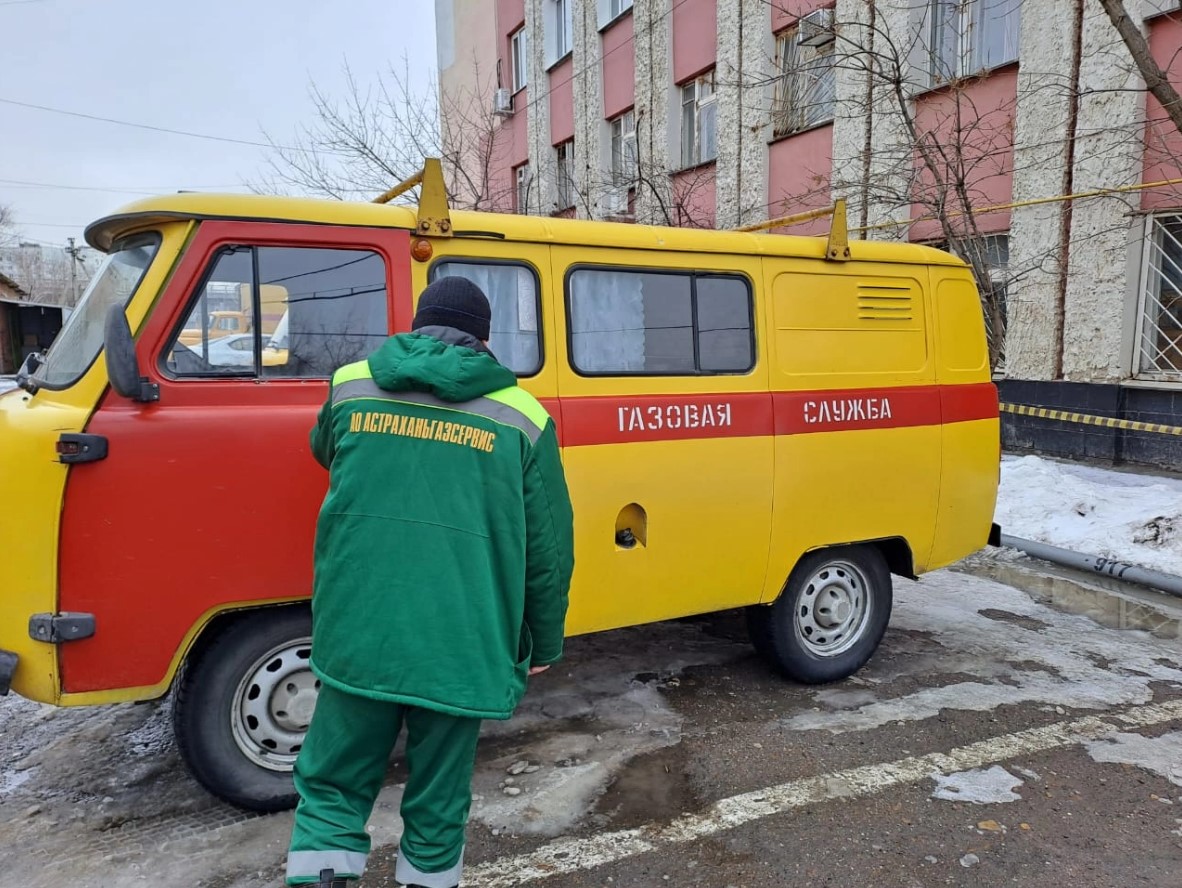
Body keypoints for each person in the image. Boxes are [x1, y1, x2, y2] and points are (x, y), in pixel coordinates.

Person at [285, 276, 575, 888]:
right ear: (484, 340)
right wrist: (543, 642)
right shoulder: (522, 417)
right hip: (460, 640)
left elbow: (324, 451)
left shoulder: (350, 386)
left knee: (333, 786)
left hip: (359, 625)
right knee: (438, 799)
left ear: (417, 326)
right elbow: (548, 547)